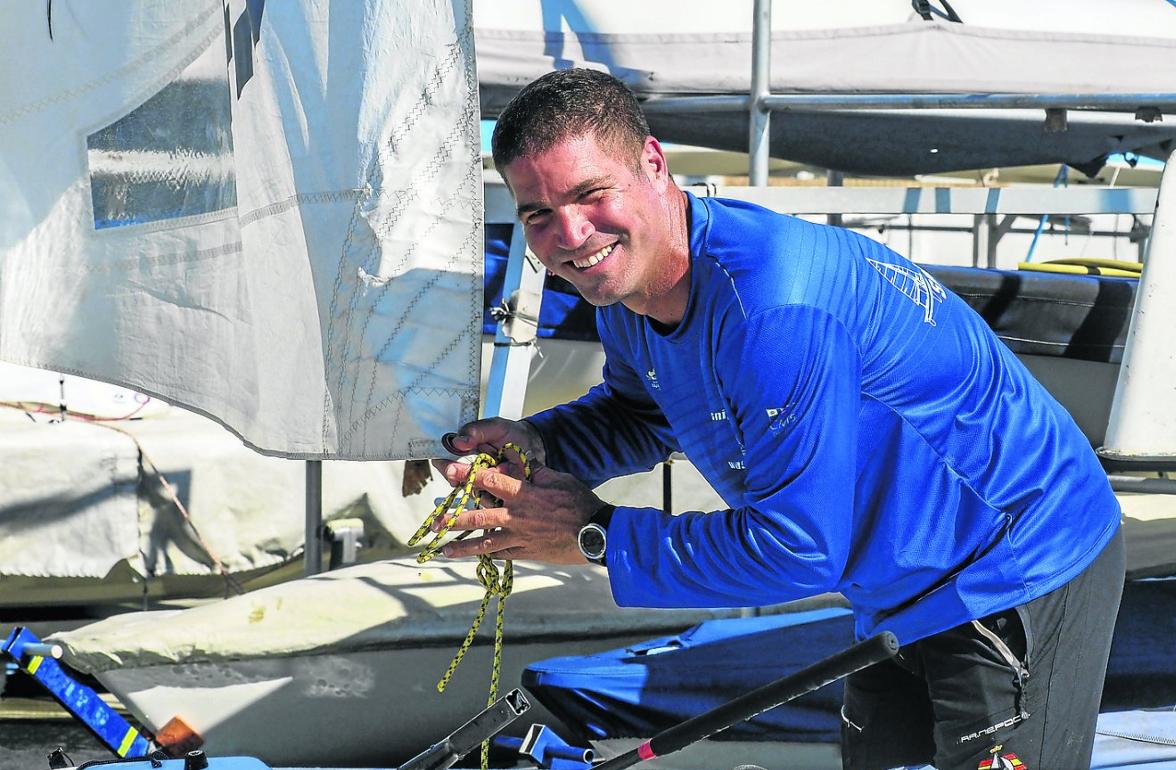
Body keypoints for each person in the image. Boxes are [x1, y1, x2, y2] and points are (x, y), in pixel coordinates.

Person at [431, 68, 1124, 770]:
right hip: (896, 588)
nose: (571, 236)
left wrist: (593, 534)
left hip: (1017, 566)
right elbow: (643, 413)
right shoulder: (636, 292)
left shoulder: (771, 309)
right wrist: (539, 445)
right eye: (537, 214)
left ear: (653, 164)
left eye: (588, 194)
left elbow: (797, 548)